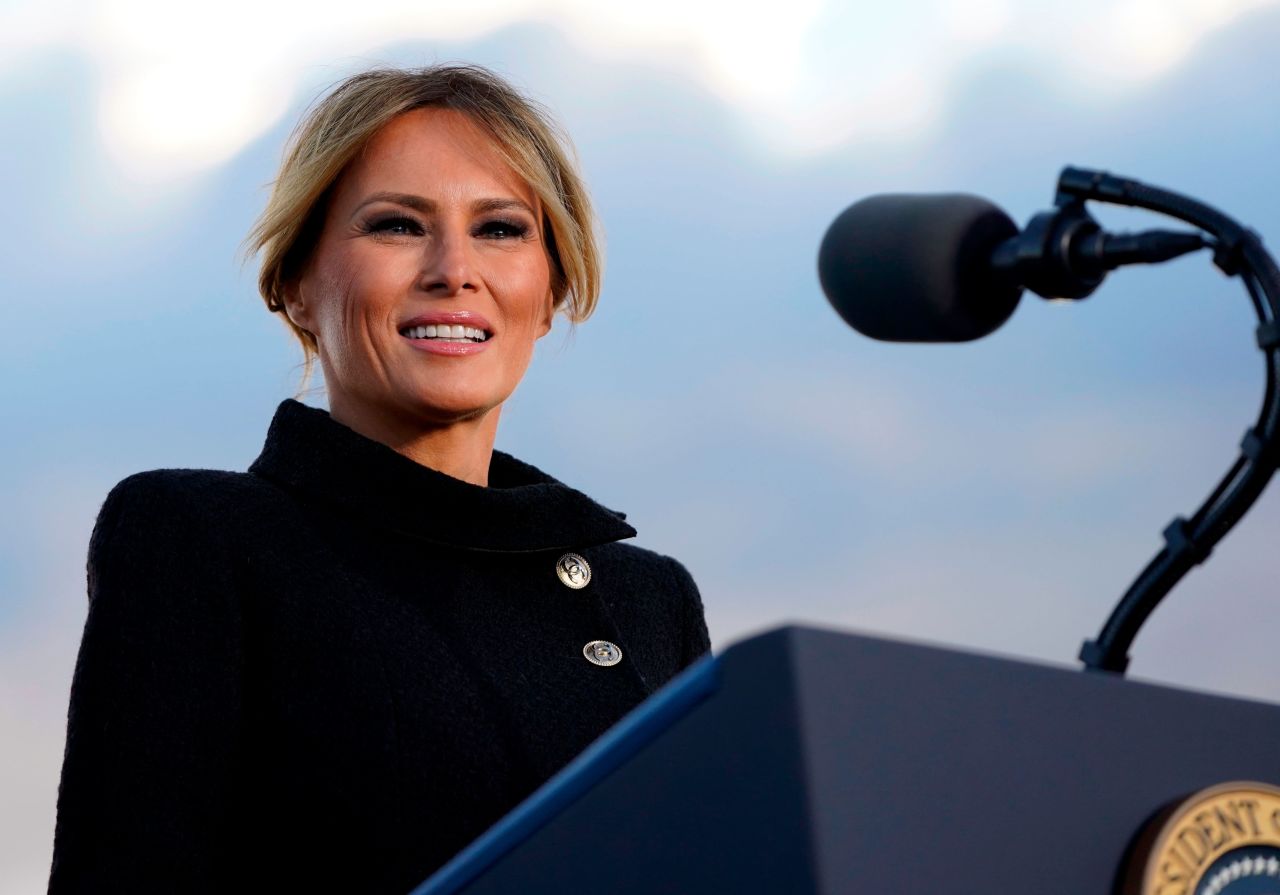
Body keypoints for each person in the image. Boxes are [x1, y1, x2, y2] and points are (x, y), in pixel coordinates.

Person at [48, 63, 711, 894]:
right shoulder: (203, 535)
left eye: (501, 229)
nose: (453, 270)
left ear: (549, 293)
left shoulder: (649, 601)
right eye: (398, 225)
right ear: (294, 283)